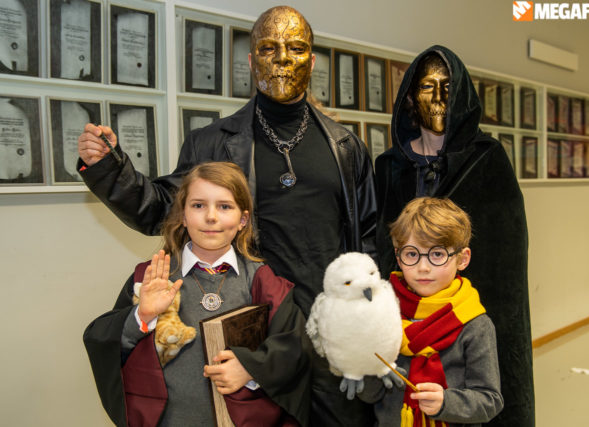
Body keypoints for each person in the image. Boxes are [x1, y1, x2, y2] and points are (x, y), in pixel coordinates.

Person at [78, 6, 377, 425]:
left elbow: (368, 238)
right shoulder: (212, 142)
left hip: (331, 330)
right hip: (255, 326)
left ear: (312, 61)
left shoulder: (346, 146)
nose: (282, 59)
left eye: (295, 48)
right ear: (252, 61)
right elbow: (163, 209)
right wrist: (111, 169)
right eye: (269, 48)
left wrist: (370, 316)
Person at [375, 45, 533, 426]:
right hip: (404, 316)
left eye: (448, 87)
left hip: (464, 318)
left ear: (462, 96)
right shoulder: (390, 166)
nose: (439, 98)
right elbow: (380, 245)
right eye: (428, 87)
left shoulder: (487, 159)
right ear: (410, 98)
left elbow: (505, 256)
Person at [83, 162, 311, 426]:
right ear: (183, 215)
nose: (211, 217)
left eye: (224, 207)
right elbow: (105, 344)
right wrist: (141, 316)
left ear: (243, 220)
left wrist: (252, 367)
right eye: (199, 205)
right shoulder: (151, 278)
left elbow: (294, 348)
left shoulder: (262, 281)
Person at [365, 197, 503, 427]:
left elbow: (490, 401)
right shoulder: (383, 313)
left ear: (462, 259)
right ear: (398, 256)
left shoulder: (475, 324)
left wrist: (446, 403)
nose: (423, 267)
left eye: (437, 254)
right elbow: (369, 395)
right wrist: (364, 368)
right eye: (412, 254)